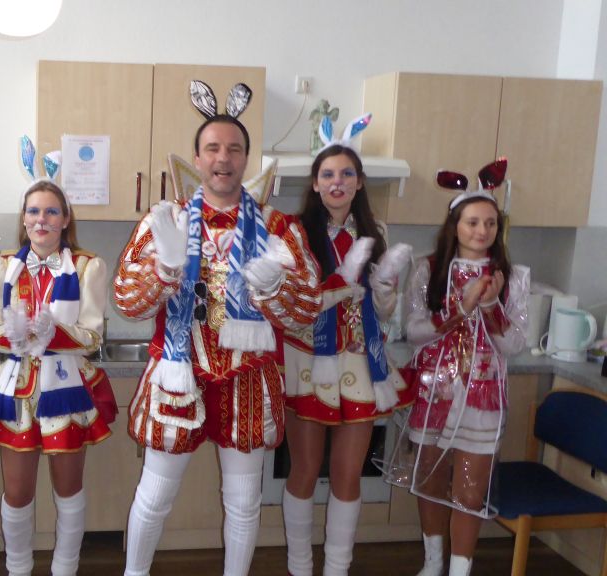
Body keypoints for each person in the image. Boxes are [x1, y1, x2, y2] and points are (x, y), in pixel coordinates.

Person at [114, 81, 322, 576]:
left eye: (233, 149)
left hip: (248, 375)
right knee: (154, 495)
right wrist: (164, 271)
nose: (222, 158)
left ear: (246, 158)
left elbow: (307, 311)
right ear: (197, 157)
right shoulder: (166, 219)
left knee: (243, 503)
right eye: (212, 148)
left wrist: (275, 288)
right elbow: (127, 301)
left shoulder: (279, 228)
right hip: (178, 371)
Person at [386, 158, 528, 576]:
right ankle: (433, 565)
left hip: (483, 397)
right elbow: (414, 332)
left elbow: (515, 344)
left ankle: (459, 572)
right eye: (473, 222)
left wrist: (491, 306)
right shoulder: (428, 270)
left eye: (490, 223)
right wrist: (458, 309)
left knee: (469, 492)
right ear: (455, 226)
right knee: (430, 482)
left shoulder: (512, 277)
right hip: (436, 392)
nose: (482, 231)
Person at [281, 139, 414, 576]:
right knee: (303, 470)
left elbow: (384, 312)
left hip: (360, 361)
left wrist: (385, 292)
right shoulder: (295, 234)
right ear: (315, 184)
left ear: (359, 183)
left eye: (346, 174)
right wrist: (337, 286)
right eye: (328, 174)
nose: (337, 182)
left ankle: (337, 569)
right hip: (307, 361)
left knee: (347, 473)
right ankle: (300, 568)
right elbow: (291, 305)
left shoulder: (378, 235)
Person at [0, 178, 113, 576]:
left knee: (67, 491)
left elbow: (93, 336)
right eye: (34, 211)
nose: (42, 219)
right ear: (23, 218)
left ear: (65, 219)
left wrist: (56, 334)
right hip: (17, 391)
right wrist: (16, 335)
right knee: (17, 493)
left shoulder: (88, 266)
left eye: (51, 212)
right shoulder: (3, 265)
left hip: (65, 389)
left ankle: (65, 569)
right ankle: (18, 569)